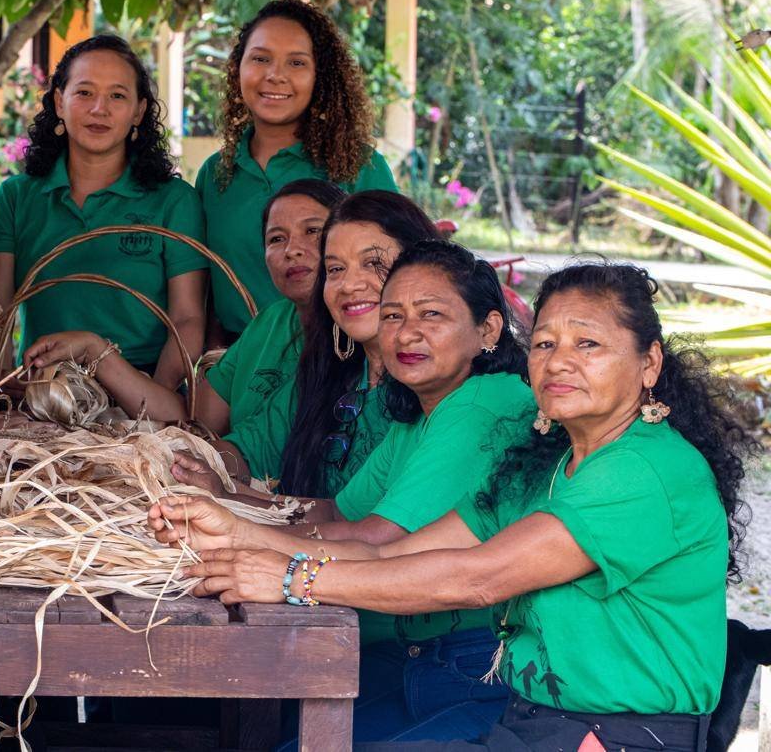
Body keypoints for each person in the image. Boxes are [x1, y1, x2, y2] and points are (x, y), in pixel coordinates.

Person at [154, 262, 753, 752]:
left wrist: (291, 578)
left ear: (649, 364)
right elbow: (391, 549)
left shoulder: (643, 471)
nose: (559, 360)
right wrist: (237, 533)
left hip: (618, 738)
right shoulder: (543, 463)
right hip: (537, 723)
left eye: (588, 344)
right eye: (544, 343)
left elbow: (477, 578)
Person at [156, 240, 537, 742]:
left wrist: (245, 536)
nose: (408, 332)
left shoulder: (483, 404)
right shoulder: (423, 407)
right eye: (394, 315)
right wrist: (229, 501)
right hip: (415, 654)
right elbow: (335, 510)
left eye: (432, 315)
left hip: (473, 665)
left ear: (487, 329)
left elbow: (377, 538)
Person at [22, 179, 344, 478]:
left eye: (313, 231)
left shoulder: (353, 342)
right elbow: (191, 420)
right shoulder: (269, 324)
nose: (292, 250)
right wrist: (95, 349)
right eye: (276, 238)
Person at [169, 191, 439, 502]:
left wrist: (234, 496)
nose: (350, 285)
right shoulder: (329, 371)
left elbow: (371, 529)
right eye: (336, 269)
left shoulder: (441, 387)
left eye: (373, 262)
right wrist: (191, 464)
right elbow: (250, 448)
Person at [0, 34, 207, 388]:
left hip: (144, 394)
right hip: (42, 394)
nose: (99, 109)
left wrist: (153, 402)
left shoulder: (174, 201)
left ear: (139, 111)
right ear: (59, 101)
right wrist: (8, 396)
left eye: (117, 95)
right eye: (84, 92)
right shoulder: (16, 197)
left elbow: (189, 319)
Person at [197, 0, 397, 339]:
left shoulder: (359, 167)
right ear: (238, 68)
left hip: (338, 362)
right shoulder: (216, 174)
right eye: (260, 59)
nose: (276, 76)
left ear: (320, 76)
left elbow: (396, 275)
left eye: (296, 63)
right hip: (238, 367)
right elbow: (206, 292)